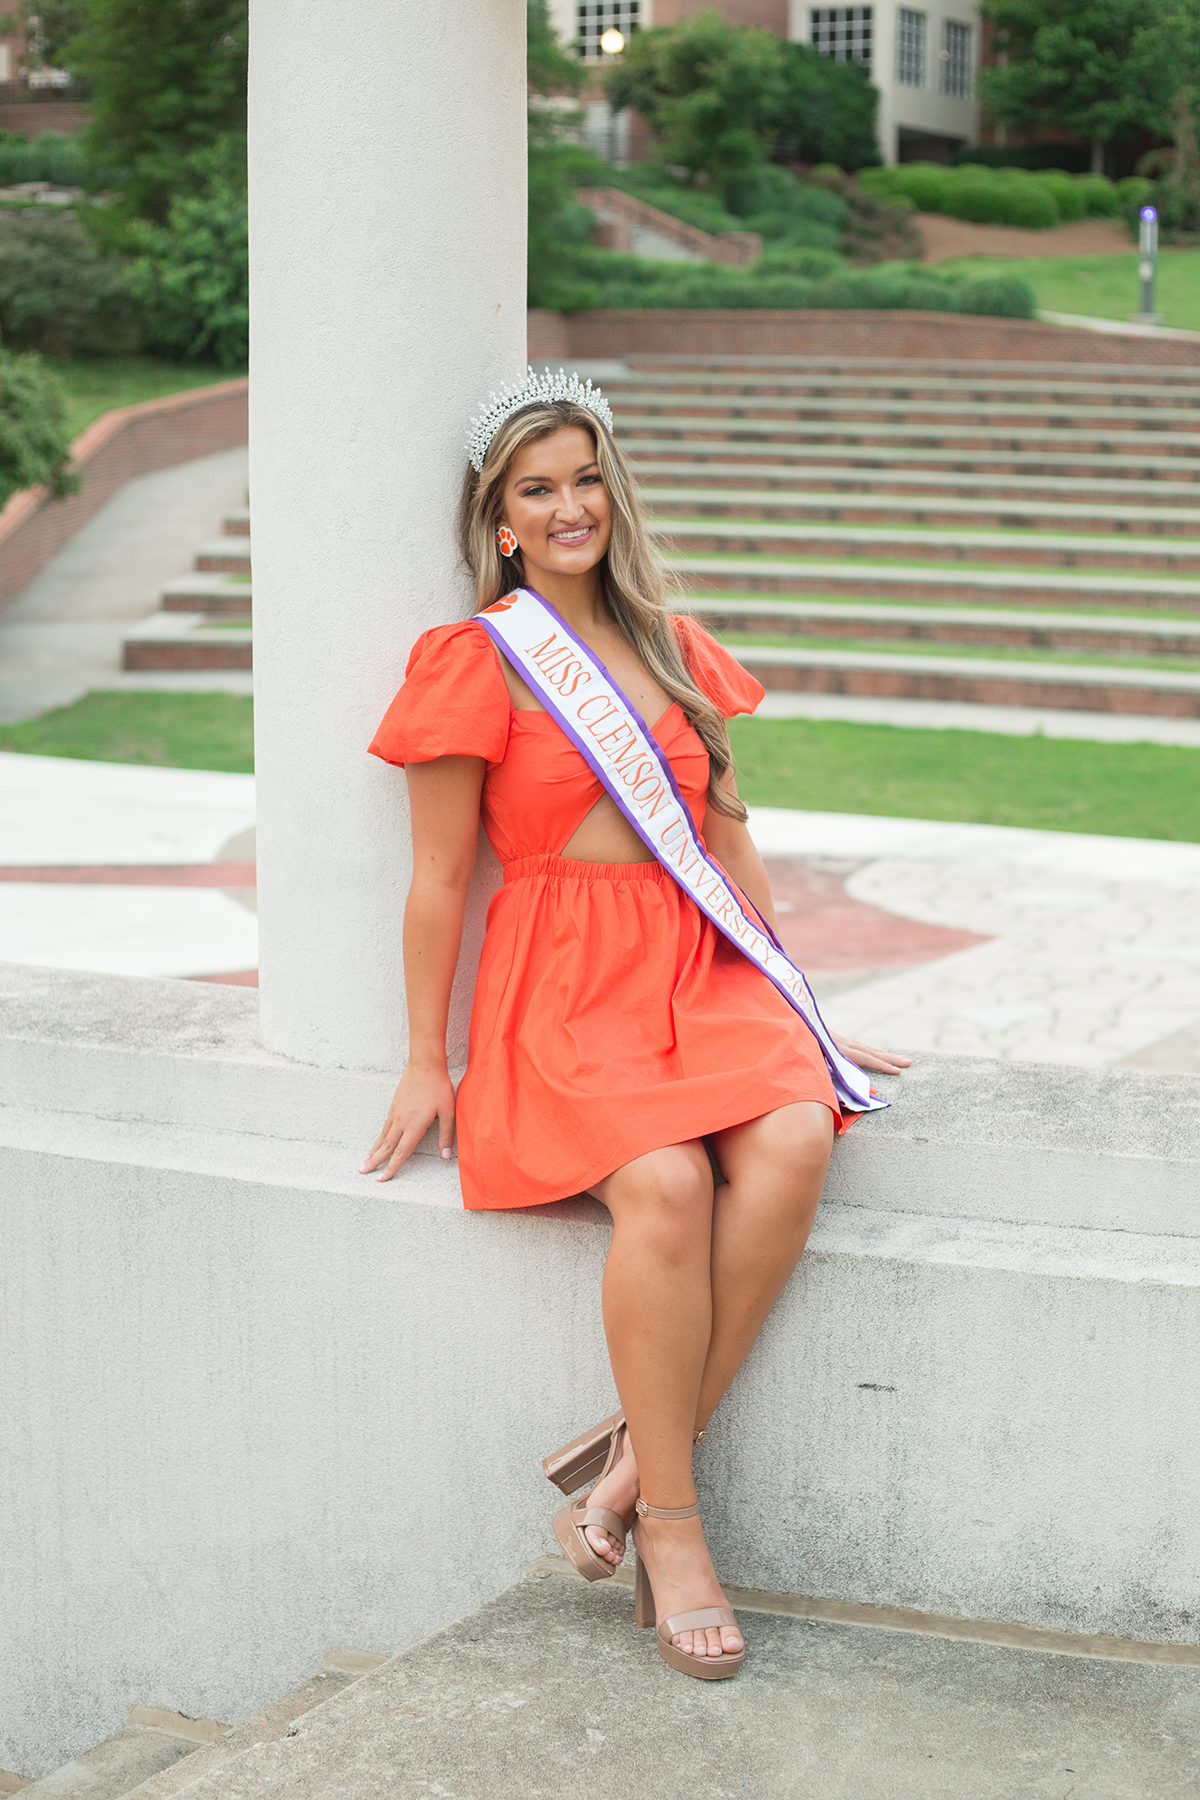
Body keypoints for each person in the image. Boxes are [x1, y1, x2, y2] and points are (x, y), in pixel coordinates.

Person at [363, 369, 909, 1681]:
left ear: (615, 491)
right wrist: (422, 1058)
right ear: (499, 523)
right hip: (561, 988)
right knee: (663, 1186)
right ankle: (670, 1522)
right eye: (535, 490)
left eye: (584, 479)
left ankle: (612, 1474)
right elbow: (439, 877)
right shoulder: (472, 660)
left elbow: (725, 834)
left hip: (693, 967)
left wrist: (798, 993)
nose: (567, 507)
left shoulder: (672, 642)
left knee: (792, 1133)